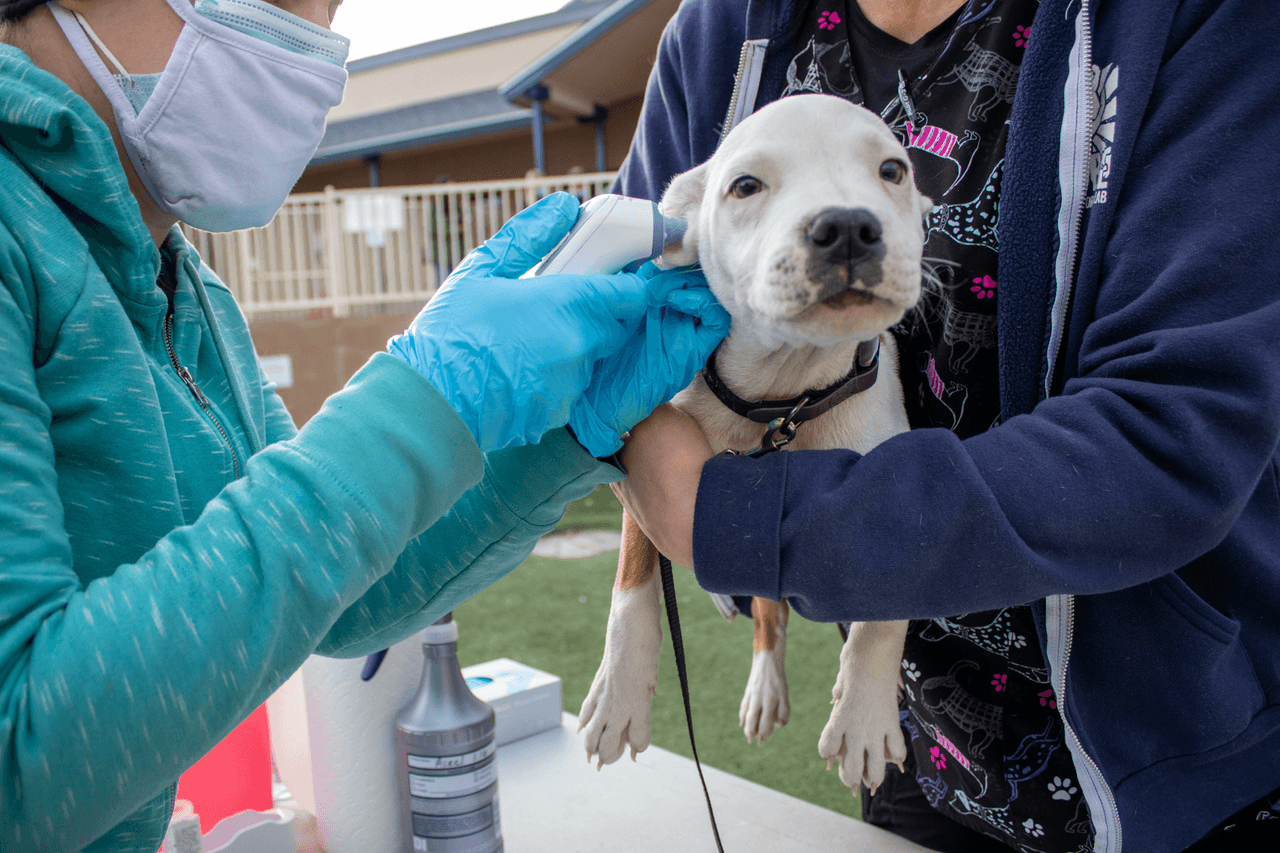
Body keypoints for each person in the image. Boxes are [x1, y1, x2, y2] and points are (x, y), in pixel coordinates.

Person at [0, 0, 728, 850]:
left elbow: (339, 601)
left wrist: (569, 432)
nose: (312, 46)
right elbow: (20, 757)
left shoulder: (181, 285)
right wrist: (428, 394)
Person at [608, 1, 1280, 852]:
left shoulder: (1194, 18)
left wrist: (726, 515)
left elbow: (1172, 432)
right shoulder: (721, 29)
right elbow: (619, 330)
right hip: (913, 744)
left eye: (890, 179)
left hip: (1191, 766)